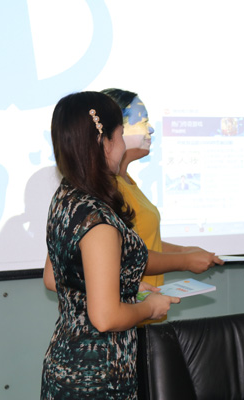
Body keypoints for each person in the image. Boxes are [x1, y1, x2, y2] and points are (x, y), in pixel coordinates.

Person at [41, 91, 180, 399]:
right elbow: (105, 318)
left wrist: (126, 284)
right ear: (104, 142)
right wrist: (149, 307)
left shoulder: (66, 197)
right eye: (119, 135)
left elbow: (60, 277)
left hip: (65, 364)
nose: (122, 145)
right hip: (97, 378)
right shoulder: (98, 219)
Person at [100, 88, 223, 293]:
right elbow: (125, 256)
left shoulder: (127, 180)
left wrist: (184, 251)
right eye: (143, 121)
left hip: (146, 306)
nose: (151, 129)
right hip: (127, 308)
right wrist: (184, 260)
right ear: (115, 130)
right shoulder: (106, 188)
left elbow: (142, 242)